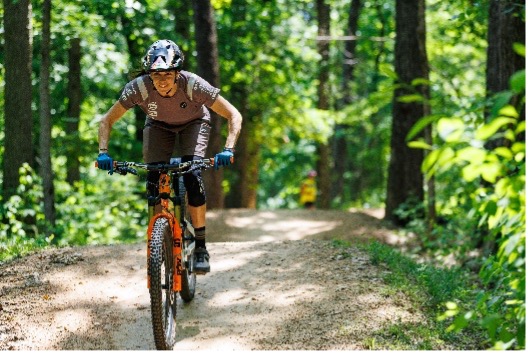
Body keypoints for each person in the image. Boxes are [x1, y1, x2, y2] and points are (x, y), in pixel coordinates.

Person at [96, 39, 242, 274]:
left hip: (194, 122)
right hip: (158, 125)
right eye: (156, 75)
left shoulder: (194, 85)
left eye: (167, 74)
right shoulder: (138, 88)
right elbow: (107, 120)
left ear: (177, 73)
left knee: (193, 174)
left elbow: (233, 114)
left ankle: (201, 247)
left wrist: (228, 149)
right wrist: (103, 152)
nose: (161, 80)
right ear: (149, 74)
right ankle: (158, 242)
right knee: (154, 179)